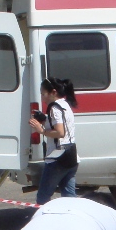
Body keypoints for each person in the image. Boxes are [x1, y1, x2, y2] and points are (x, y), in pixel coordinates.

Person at [29, 77, 79, 205]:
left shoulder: (54, 108)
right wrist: (45, 119)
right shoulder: (65, 104)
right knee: (69, 197)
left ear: (53, 92)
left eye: (43, 93)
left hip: (57, 158)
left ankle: (44, 222)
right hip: (72, 156)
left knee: (43, 197)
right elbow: (64, 128)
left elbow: (60, 132)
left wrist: (41, 130)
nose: (42, 97)